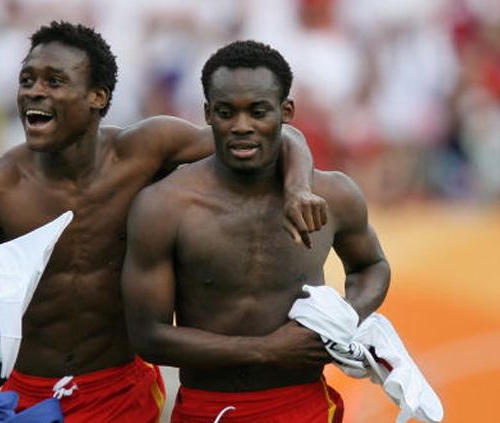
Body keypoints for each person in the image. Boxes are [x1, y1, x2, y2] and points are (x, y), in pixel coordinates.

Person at [0, 22, 327, 423]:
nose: (35, 91)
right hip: (23, 391)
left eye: (54, 81)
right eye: (27, 79)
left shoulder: (144, 151)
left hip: (118, 390)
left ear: (98, 97)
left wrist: (296, 190)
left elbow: (278, 137)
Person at [121, 40, 391, 422]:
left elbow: (372, 266)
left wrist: (342, 318)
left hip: (305, 405)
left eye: (258, 112)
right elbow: (149, 336)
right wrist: (267, 349)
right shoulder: (164, 206)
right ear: (207, 114)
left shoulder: (334, 195)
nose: (242, 126)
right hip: (207, 408)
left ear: (286, 112)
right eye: (226, 112)